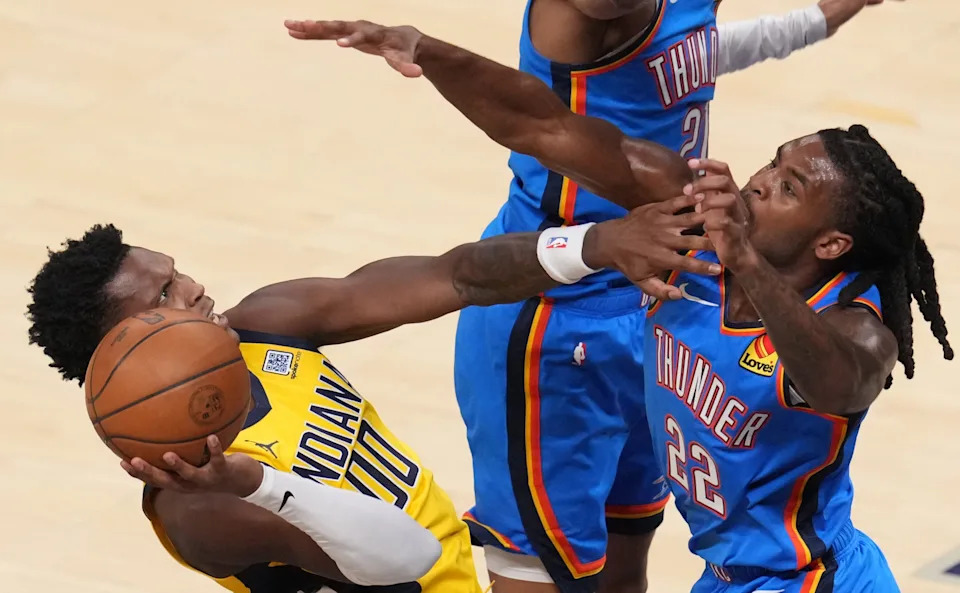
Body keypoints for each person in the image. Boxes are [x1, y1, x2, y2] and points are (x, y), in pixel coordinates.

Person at [283, 19, 951, 592]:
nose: (759, 180)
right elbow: (544, 126)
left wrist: (745, 258)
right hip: (726, 575)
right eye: (774, 164)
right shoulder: (692, 223)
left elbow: (839, 383)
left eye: (788, 187)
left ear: (830, 243)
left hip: (816, 579)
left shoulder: (856, 327)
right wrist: (427, 51)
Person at [26, 206, 715, 593]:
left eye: (177, 272)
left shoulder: (265, 323)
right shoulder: (196, 502)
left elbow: (456, 276)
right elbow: (402, 560)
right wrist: (261, 484)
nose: (196, 289)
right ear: (125, 345)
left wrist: (593, 245)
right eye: (166, 292)